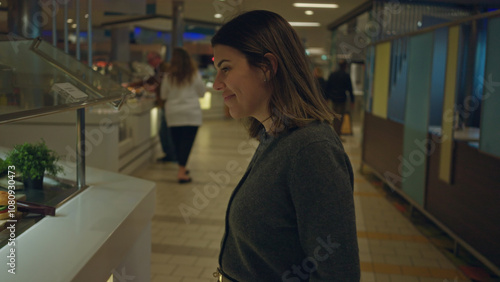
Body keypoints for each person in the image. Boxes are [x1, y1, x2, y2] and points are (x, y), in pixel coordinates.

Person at [211, 10, 360, 281]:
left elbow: (338, 273)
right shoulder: (275, 136)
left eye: (226, 68)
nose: (216, 84)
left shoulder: (311, 150)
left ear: (267, 67)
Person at [160, 48, 205, 183]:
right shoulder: (195, 74)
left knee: (177, 142)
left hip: (173, 113)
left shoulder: (168, 76)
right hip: (191, 113)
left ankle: (182, 167)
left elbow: (163, 95)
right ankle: (181, 171)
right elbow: (202, 92)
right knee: (187, 142)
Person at [128, 51, 177, 163]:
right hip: (165, 102)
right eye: (148, 60)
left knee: (165, 130)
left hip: (167, 103)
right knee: (164, 130)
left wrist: (136, 85)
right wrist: (135, 85)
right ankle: (170, 154)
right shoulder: (160, 68)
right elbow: (153, 80)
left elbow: (157, 82)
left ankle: (171, 155)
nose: (149, 63)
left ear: (158, 59)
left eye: (151, 60)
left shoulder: (165, 68)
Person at [326, 60, 355, 137]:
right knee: (340, 117)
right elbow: (350, 89)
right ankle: (338, 134)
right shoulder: (346, 76)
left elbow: (328, 87)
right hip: (342, 98)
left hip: (333, 98)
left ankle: (334, 133)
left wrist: (327, 98)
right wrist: (352, 100)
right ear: (345, 66)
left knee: (334, 116)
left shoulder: (333, 75)